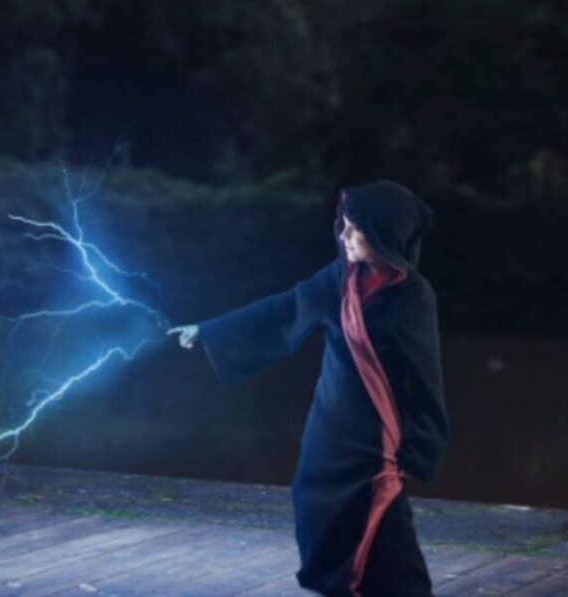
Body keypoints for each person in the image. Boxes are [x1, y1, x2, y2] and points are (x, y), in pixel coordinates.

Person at [168, 181, 447, 596]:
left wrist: (420, 446)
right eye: (343, 225)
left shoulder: (412, 296)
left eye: (355, 228)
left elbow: (423, 375)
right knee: (313, 500)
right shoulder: (339, 279)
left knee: (383, 521)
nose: (344, 236)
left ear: (384, 233)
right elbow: (285, 308)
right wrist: (210, 331)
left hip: (376, 434)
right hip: (330, 422)